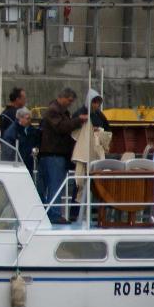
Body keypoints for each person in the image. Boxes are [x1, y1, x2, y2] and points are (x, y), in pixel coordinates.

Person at [38, 87, 89, 223]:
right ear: (62, 97)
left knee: (49, 186)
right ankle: (54, 215)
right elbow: (61, 127)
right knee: (55, 186)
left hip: (53, 155)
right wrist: (79, 120)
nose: (70, 103)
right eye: (69, 100)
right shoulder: (54, 111)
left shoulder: (59, 111)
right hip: (54, 155)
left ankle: (47, 213)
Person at [1, 107, 40, 171]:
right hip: (18, 165)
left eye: (30, 118)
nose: (30, 121)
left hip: (31, 163)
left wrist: (36, 150)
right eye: (27, 118)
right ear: (20, 118)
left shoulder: (32, 129)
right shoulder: (11, 132)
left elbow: (37, 142)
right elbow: (8, 152)